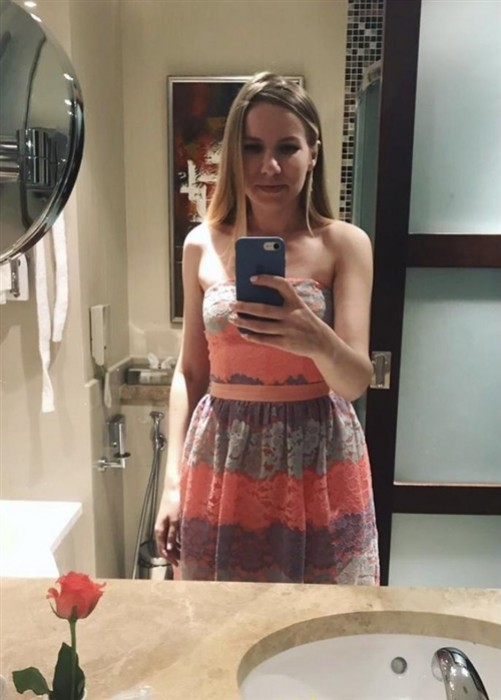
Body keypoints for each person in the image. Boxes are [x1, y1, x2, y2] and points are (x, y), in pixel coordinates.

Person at [154, 72, 379, 584]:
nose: (269, 166)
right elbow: (190, 373)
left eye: (287, 148)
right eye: (252, 147)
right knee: (220, 618)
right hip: (220, 457)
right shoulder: (200, 245)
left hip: (318, 458)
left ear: (313, 152)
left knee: (323, 616)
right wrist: (173, 484)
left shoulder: (345, 244)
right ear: (233, 155)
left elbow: (354, 381)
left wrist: (315, 338)